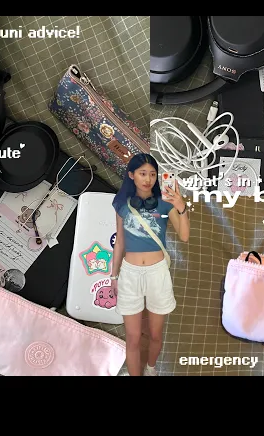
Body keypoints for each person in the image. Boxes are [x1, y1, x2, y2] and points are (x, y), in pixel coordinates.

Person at [111, 153, 189, 376]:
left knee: (155, 335)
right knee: (133, 337)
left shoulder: (165, 204)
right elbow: (120, 242)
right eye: (142, 173)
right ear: (131, 175)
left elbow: (184, 236)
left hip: (157, 273)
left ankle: (151, 368)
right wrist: (114, 275)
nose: (148, 179)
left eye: (153, 174)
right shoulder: (122, 205)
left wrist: (181, 207)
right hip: (130, 273)